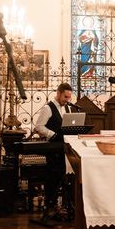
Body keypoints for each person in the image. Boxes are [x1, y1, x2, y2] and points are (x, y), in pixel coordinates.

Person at [34, 82, 73, 220]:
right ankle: (50, 206)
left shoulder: (67, 108)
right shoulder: (48, 108)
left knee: (63, 176)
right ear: (58, 93)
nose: (67, 100)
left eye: (69, 97)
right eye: (65, 97)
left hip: (64, 148)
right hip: (53, 148)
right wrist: (53, 134)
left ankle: (60, 206)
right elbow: (39, 127)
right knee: (53, 177)